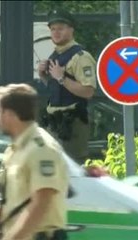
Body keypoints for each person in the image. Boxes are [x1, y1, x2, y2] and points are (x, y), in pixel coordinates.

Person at [0, 84, 69, 240]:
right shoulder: (14, 149)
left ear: (11, 115)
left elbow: (41, 204)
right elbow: (8, 202)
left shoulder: (42, 150)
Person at [38, 8, 97, 164]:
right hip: (53, 123)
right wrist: (44, 75)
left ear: (71, 29)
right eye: (53, 29)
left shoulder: (81, 57)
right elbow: (56, 89)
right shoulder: (55, 55)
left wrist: (62, 77)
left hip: (72, 126)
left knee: (72, 171)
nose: (56, 32)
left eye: (61, 28)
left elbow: (88, 91)